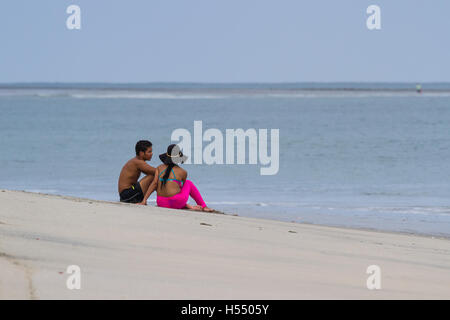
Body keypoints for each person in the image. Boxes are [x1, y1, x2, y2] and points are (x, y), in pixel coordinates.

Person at [139, 144, 214, 212]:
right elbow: (180, 191)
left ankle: (188, 206)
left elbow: (154, 184)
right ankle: (204, 206)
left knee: (162, 184)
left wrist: (144, 200)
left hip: (161, 203)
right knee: (188, 183)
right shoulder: (182, 172)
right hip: (176, 203)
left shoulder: (159, 168)